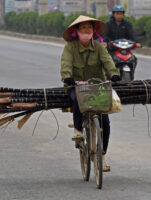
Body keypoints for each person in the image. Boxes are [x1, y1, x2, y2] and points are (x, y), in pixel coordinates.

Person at [60, 15, 121, 172]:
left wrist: (113, 73)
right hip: (77, 86)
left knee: (105, 122)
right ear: (77, 31)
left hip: (97, 86)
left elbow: (108, 61)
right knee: (78, 101)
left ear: (93, 31)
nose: (87, 31)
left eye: (89, 28)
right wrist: (67, 77)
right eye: (83, 28)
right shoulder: (70, 47)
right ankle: (78, 130)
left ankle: (102, 156)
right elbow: (65, 63)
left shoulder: (99, 47)